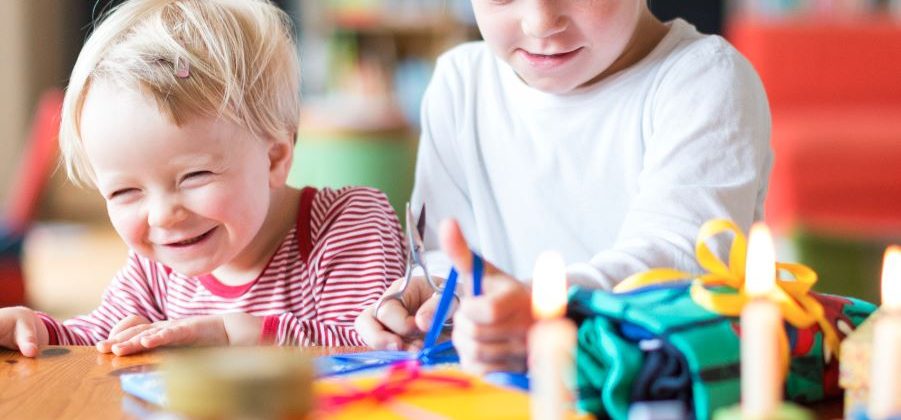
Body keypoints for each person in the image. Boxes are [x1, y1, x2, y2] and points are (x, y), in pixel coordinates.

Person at [356, 0, 772, 373]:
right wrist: (434, 296)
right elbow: (453, 260)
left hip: (650, 388)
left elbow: (681, 262)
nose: (540, 22)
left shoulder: (704, 79)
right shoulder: (460, 84)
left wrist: (539, 306)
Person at [0, 0, 405, 358]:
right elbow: (101, 339)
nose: (162, 216)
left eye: (194, 176)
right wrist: (38, 331)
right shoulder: (156, 264)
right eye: (125, 191)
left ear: (274, 158)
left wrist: (233, 334)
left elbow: (373, 348)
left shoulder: (348, 223)